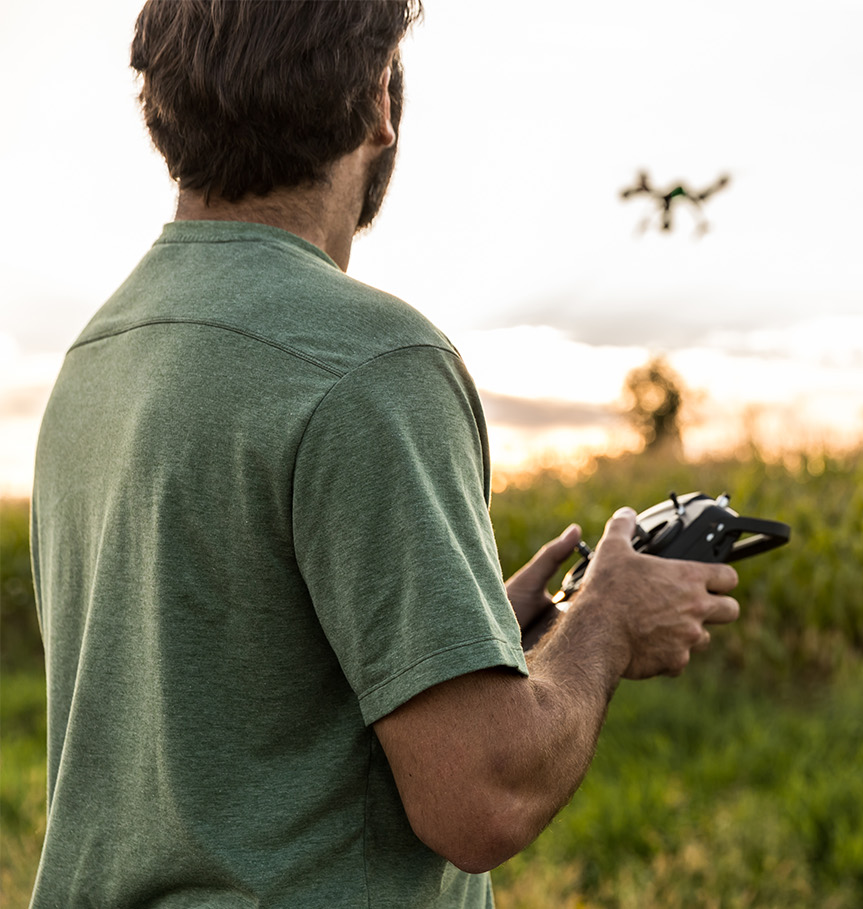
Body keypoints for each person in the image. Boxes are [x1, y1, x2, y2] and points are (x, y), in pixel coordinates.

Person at [27, 2, 739, 906]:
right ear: (376, 102)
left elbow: (220, 698)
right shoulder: (370, 362)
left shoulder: (101, 355)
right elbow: (482, 795)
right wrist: (605, 623)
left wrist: (466, 640)